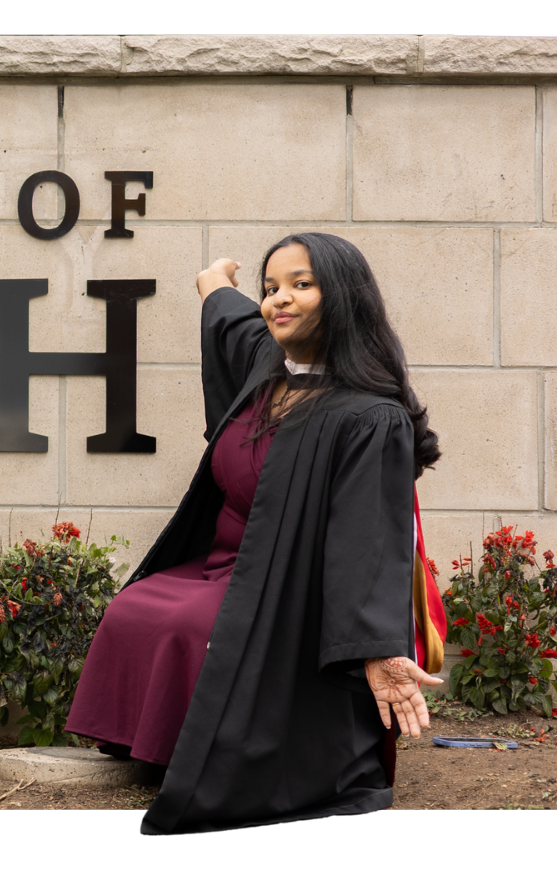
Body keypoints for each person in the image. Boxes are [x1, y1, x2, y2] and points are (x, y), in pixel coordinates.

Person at [64, 232, 447, 834]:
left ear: (342, 297)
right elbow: (231, 323)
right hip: (224, 563)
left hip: (290, 586)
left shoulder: (370, 418)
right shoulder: (267, 368)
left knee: (194, 627)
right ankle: (162, 749)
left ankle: (212, 760)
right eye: (270, 288)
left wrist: (376, 650)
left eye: (301, 285)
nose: (278, 301)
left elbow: (365, 543)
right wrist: (214, 282)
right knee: (136, 606)